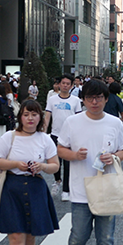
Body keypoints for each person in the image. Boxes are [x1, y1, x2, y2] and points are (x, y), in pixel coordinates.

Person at [56, 80, 123, 245]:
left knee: (106, 239)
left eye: (99, 98)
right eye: (90, 98)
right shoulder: (72, 122)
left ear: (106, 99)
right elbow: (60, 148)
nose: (94, 102)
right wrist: (74, 155)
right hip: (80, 190)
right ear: (84, 100)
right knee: (78, 236)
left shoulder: (114, 123)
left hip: (106, 190)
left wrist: (114, 157)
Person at [0, 100, 60, 245]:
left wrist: (43, 167)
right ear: (20, 117)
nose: (30, 118)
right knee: (16, 234)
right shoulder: (9, 137)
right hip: (12, 187)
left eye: (34, 114)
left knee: (31, 233)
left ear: (40, 118)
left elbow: (55, 165)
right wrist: (15, 164)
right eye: (26, 114)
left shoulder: (45, 139)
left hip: (36, 186)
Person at [43, 74, 82, 202]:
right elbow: (47, 116)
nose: (65, 85)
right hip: (55, 134)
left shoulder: (75, 101)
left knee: (68, 164)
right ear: (59, 84)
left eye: (67, 84)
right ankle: (57, 180)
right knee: (54, 162)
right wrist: (43, 132)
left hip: (71, 136)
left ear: (71, 86)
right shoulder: (52, 99)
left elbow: (79, 119)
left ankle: (66, 190)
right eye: (63, 83)